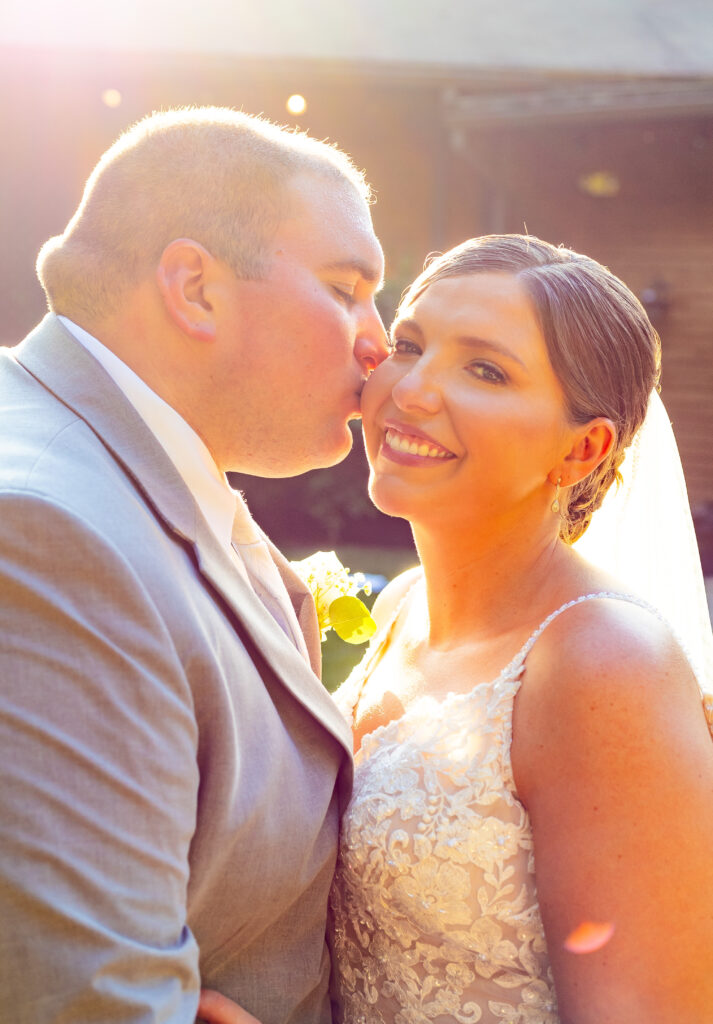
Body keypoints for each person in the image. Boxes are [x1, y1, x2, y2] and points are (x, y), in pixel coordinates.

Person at [0, 107, 388, 1023]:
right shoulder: (48, 533)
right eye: (345, 288)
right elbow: (89, 1004)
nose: (379, 340)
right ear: (194, 288)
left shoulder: (120, 465)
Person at [326, 235, 713, 1023]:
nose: (412, 389)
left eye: (485, 369)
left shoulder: (602, 661)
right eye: (409, 344)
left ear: (582, 450)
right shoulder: (400, 606)